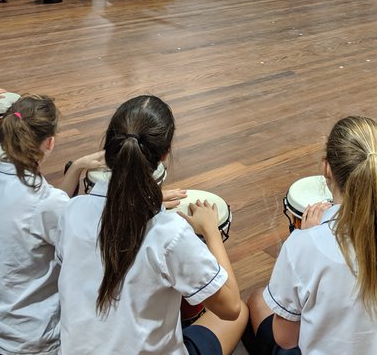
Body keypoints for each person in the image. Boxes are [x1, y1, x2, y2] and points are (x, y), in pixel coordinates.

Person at [57, 95, 248, 355]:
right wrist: (211, 230)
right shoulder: (169, 234)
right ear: (165, 154)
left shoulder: (72, 211)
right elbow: (231, 307)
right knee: (242, 313)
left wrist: (150, 198)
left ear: (111, 146)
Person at [248, 116, 377, 355]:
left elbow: (286, 339)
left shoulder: (301, 246)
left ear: (326, 168)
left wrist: (307, 238)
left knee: (258, 301)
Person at [0, 94, 104, 355]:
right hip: (28, 335)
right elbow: (90, 244)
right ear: (49, 143)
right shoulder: (45, 202)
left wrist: (76, 168)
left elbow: (47, 209)